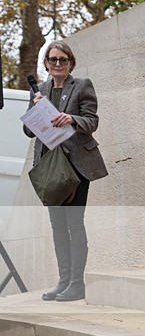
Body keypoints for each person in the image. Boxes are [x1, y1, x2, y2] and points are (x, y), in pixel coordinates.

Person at [23, 40, 108, 301]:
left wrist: (71, 119)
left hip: (76, 165)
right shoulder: (40, 91)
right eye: (52, 60)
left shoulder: (82, 85)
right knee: (57, 227)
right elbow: (29, 130)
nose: (57, 64)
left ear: (71, 63)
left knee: (74, 224)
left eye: (63, 59)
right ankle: (63, 281)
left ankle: (76, 283)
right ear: (46, 64)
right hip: (50, 167)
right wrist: (36, 109)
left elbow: (91, 121)